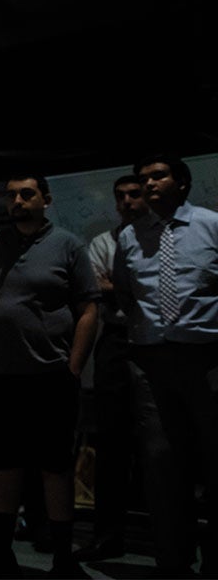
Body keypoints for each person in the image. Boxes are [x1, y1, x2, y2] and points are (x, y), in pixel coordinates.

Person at [0, 173, 98, 580]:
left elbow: (89, 309)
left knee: (55, 467)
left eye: (26, 194)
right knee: (4, 466)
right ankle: (1, 554)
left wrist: (74, 365)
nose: (17, 201)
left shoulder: (68, 244)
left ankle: (62, 559)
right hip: (0, 377)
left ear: (44, 199)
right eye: (11, 195)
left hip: (50, 376)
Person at [113, 153, 218, 577]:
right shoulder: (130, 236)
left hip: (206, 356)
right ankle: (172, 563)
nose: (148, 184)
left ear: (182, 183)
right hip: (152, 360)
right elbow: (124, 293)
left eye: (157, 176)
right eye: (143, 178)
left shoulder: (212, 225)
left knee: (215, 461)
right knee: (161, 465)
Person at [74, 174, 147, 563]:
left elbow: (126, 287)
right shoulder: (103, 242)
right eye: (120, 196)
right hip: (116, 341)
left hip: (156, 340)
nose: (127, 202)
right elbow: (93, 287)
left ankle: (169, 536)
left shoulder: (159, 239)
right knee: (111, 443)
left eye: (134, 195)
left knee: (160, 443)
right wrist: (130, 286)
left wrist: (117, 285)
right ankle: (108, 536)